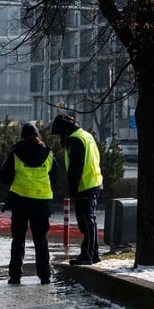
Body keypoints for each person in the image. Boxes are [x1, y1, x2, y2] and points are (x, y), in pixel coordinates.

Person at [0, 123, 58, 285]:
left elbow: (4, 177)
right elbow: (56, 177)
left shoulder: (15, 153)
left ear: (22, 136)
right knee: (41, 240)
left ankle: (15, 276)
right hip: (42, 203)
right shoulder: (48, 153)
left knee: (18, 239)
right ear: (37, 135)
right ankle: (45, 276)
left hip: (20, 202)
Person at [51, 114, 103, 266]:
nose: (60, 138)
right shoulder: (86, 135)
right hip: (94, 182)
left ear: (65, 131)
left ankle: (87, 255)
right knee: (90, 221)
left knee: (86, 223)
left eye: (60, 134)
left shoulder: (74, 140)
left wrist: (73, 190)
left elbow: (75, 167)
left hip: (84, 185)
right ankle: (94, 254)